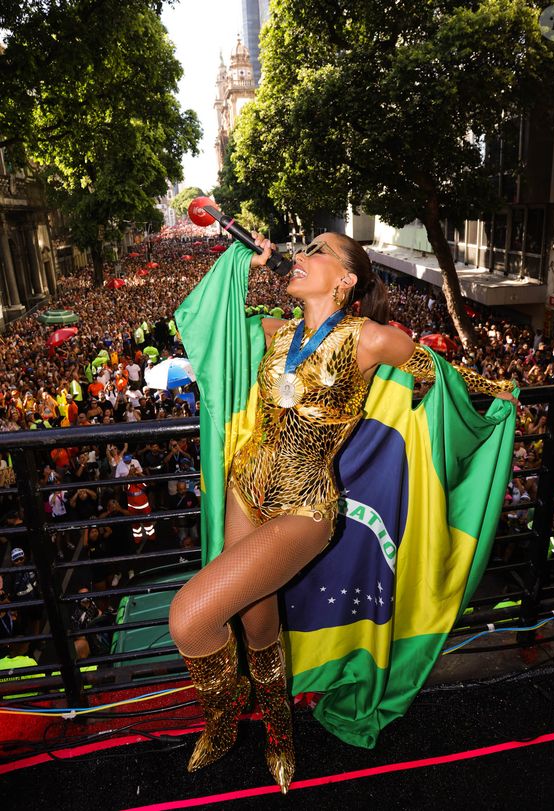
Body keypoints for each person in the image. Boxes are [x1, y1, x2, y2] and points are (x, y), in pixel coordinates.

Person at [168, 230, 517, 793]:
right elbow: (211, 327)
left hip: (304, 510)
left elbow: (439, 376)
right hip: (244, 491)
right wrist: (243, 259)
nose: (299, 255)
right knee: (257, 626)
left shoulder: (372, 339)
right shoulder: (274, 331)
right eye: (300, 248)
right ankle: (278, 730)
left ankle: (224, 715)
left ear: (347, 279)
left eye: (316, 251)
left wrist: (497, 390)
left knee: (190, 618)